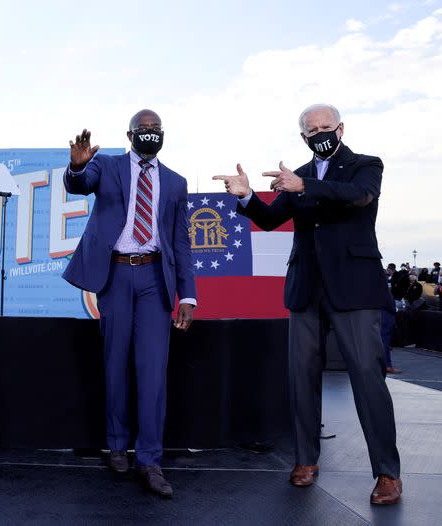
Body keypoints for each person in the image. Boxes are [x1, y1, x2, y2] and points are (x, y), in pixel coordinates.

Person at [213, 103, 402, 505]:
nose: (320, 133)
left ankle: (387, 473)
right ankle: (305, 460)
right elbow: (268, 219)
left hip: (354, 288)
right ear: (303, 137)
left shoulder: (366, 165)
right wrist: (247, 197)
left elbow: (359, 197)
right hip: (305, 287)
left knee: (368, 381)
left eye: (326, 126)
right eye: (311, 129)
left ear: (341, 129)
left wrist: (305, 187)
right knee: (300, 378)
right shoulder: (295, 176)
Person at [62, 110, 197, 497]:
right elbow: (79, 184)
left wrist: (187, 294)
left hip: (156, 279)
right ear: (130, 134)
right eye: (144, 130)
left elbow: (181, 242)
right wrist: (76, 166)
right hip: (116, 275)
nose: (151, 135)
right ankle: (117, 445)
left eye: (157, 130)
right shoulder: (106, 166)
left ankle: (150, 459)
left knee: (153, 371)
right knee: (115, 363)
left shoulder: (175, 182)